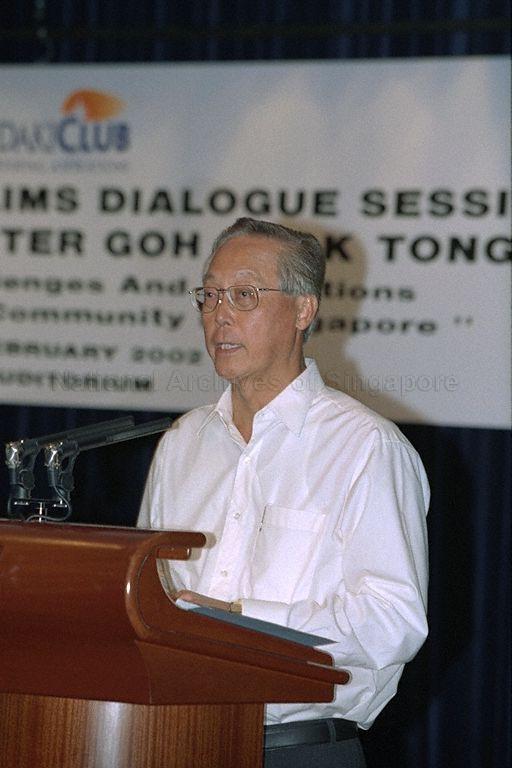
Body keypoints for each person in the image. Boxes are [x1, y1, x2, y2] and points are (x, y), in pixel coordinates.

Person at [138, 217, 429, 768]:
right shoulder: (182, 444)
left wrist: (242, 620)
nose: (219, 313)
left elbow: (392, 622)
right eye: (210, 294)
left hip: (298, 750)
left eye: (245, 294)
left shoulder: (365, 446)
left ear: (303, 311)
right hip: (172, 741)